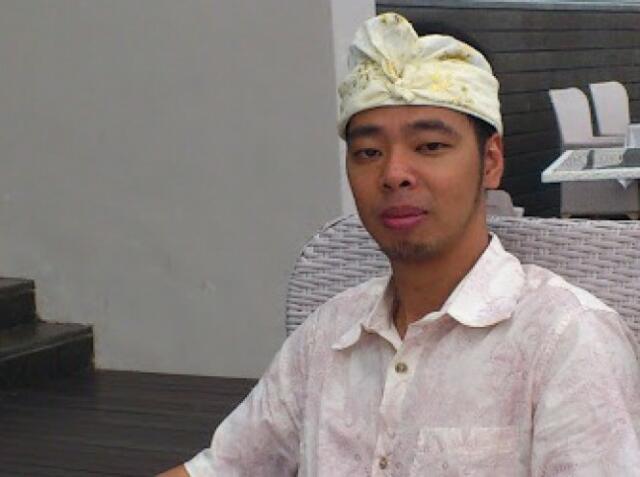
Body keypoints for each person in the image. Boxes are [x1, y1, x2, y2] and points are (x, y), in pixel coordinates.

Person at [160, 13, 640, 476]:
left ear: (491, 161)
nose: (393, 174)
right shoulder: (329, 336)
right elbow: (223, 468)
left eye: (430, 146)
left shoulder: (563, 341)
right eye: (368, 152)